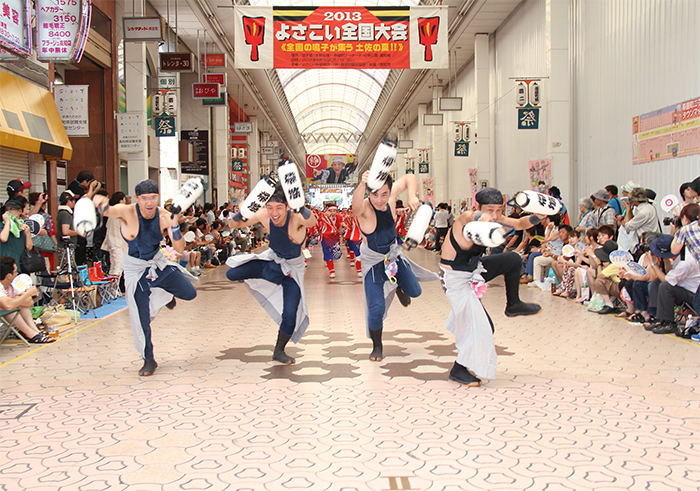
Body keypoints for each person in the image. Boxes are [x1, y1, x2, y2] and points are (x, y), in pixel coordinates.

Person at [86, 179, 198, 376]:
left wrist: (174, 225)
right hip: (135, 271)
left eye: (153, 198)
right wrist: (94, 198)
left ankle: (166, 293)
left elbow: (179, 250)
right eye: (144, 198)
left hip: (157, 264)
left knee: (189, 293)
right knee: (141, 319)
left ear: (158, 198)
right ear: (136, 198)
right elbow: (106, 210)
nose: (149, 203)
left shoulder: (164, 216)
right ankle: (148, 359)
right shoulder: (126, 211)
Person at [438, 187, 547, 386]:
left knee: (513, 259)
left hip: (474, 270)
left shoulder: (494, 219)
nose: (495, 214)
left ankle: (513, 304)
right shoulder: (466, 218)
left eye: (499, 210)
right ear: (477, 207)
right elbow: (476, 218)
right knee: (483, 326)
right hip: (455, 279)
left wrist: (537, 217)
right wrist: (485, 218)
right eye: (490, 209)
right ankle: (458, 369)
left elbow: (521, 223)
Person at [225, 185, 317, 364]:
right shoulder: (264, 215)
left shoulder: (296, 217)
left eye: (279, 208)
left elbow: (312, 222)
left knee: (290, 314)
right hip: (272, 264)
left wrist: (299, 204)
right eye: (270, 207)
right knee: (231, 274)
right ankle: (257, 274)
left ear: (287, 207)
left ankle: (279, 350)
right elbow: (233, 224)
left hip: (292, 272)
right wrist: (245, 209)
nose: (274, 213)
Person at [352, 171, 439, 362]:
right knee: (376, 307)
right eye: (375, 194)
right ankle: (377, 345)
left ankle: (399, 286)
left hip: (393, 257)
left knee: (415, 291)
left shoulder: (390, 201)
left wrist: (411, 196)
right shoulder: (366, 209)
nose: (380, 200)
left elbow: (408, 177)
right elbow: (355, 207)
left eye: (384, 194)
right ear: (368, 193)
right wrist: (361, 184)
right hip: (374, 263)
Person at [0, 256, 54, 343]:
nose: (17, 274)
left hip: (5, 322)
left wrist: (19, 299)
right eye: (16, 272)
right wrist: (28, 293)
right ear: (8, 276)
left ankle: (34, 332)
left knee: (19, 304)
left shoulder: (11, 286)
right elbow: (7, 306)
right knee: (11, 308)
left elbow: (29, 303)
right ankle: (30, 334)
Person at [0, 198, 34, 273]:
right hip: (5, 266)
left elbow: (29, 247)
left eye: (11, 209)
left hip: (20, 265)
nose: (8, 212)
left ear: (20, 211)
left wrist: (27, 233)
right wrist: (7, 222)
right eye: (6, 210)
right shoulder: (3, 225)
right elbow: (3, 238)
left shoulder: (21, 226)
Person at [100, 192, 127, 278]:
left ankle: (111, 289)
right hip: (117, 242)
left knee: (114, 266)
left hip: (111, 241)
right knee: (118, 267)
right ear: (121, 200)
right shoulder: (120, 210)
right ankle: (114, 289)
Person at [318, 204, 343, 278]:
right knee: (327, 253)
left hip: (335, 237)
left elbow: (340, 226)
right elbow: (320, 218)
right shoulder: (324, 217)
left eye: (334, 211)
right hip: (326, 237)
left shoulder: (339, 217)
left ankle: (330, 263)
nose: (332, 213)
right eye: (331, 211)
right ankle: (331, 271)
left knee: (336, 253)